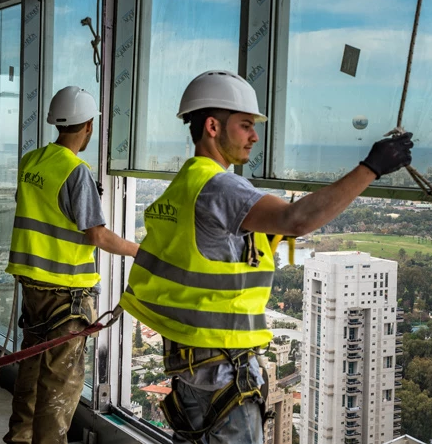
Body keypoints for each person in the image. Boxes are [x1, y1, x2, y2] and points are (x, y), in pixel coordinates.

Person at [120, 70, 413, 444]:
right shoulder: (221, 187)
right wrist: (372, 167)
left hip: (190, 369)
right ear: (212, 126)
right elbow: (298, 219)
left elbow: (211, 253)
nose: (254, 137)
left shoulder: (185, 185)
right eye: (245, 126)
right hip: (223, 371)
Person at [4, 86, 139, 444]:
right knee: (59, 388)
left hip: (33, 289)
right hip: (66, 296)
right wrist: (140, 251)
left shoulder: (31, 161)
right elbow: (98, 236)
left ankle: (18, 439)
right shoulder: (76, 172)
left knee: (31, 373)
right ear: (89, 127)